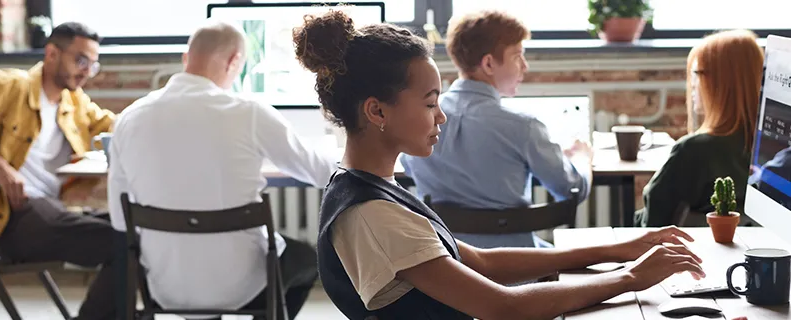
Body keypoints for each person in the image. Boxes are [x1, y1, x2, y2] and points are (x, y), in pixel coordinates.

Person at [297, 8, 705, 319]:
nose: (440, 117)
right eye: (429, 103)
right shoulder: (372, 214)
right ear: (377, 111)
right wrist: (631, 277)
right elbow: (500, 307)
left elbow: (482, 261)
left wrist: (619, 249)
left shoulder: (372, 187)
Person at [107, 20, 336, 319]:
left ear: (185, 59)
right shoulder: (249, 112)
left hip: (165, 288)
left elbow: (119, 219)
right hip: (245, 285)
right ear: (234, 62)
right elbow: (321, 173)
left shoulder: (128, 119)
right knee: (306, 260)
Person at [400, 10, 592, 249]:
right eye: (517, 56)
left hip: (446, 261)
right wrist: (582, 159)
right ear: (489, 63)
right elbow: (571, 190)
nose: (525, 66)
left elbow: (408, 168)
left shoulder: (419, 119)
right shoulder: (524, 126)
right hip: (520, 266)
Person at [0, 22, 116, 319]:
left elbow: (112, 125)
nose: (87, 70)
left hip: (46, 212)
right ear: (51, 53)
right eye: (80, 60)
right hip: (6, 218)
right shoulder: (9, 85)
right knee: (119, 243)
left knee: (135, 228)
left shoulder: (73, 102)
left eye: (93, 64)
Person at [634, 29, 763, 227]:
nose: (692, 85)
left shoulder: (692, 150)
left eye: (698, 74)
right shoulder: (774, 149)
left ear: (721, 81)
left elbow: (653, 223)